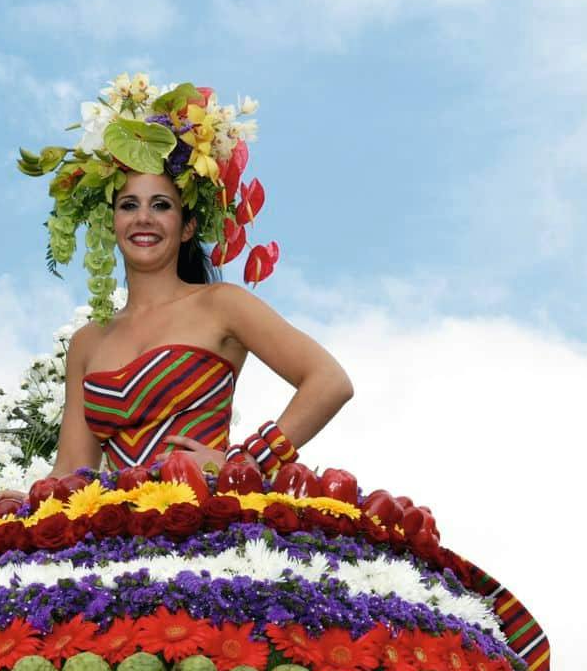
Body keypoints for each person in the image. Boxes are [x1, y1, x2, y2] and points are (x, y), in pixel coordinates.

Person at [24, 74, 353, 479]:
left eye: (161, 205)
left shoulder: (221, 305)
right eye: (129, 205)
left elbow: (329, 381)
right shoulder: (87, 342)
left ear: (187, 227)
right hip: (119, 521)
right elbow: (71, 472)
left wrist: (245, 462)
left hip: (211, 515)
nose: (144, 218)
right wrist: (19, 503)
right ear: (112, 223)